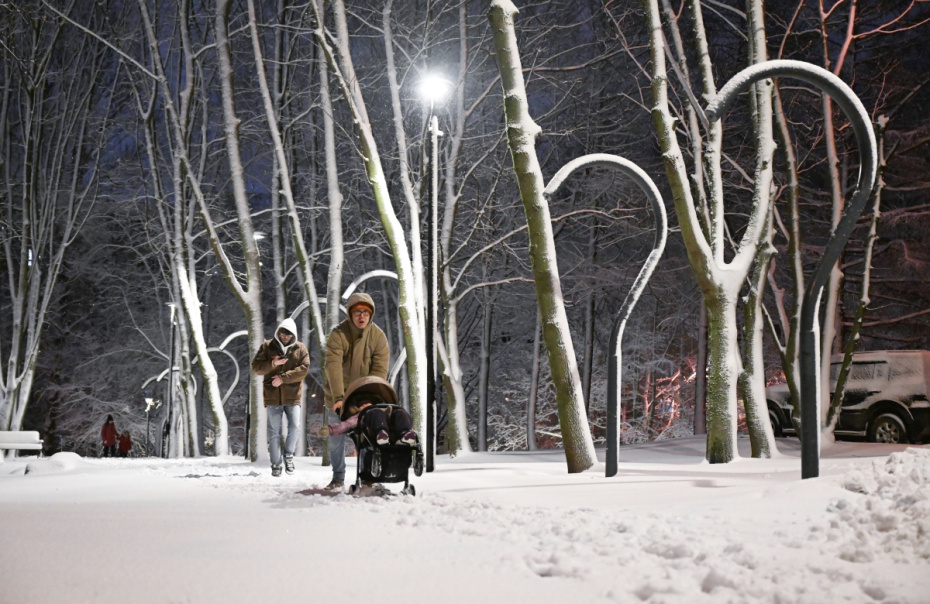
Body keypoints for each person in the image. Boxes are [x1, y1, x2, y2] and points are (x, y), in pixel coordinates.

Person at [322, 292, 390, 491]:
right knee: (336, 438)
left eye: (366, 312)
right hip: (338, 396)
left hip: (365, 397)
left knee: (369, 437)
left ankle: (367, 478)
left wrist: (370, 399)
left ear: (371, 315)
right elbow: (332, 367)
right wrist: (338, 398)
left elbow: (379, 372)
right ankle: (338, 478)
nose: (362, 316)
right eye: (358, 312)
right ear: (350, 314)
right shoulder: (338, 335)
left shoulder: (378, 337)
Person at [251, 317, 310, 477]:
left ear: (294, 335)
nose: (285, 337)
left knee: (295, 427)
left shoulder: (300, 349)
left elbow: (303, 370)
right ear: (278, 332)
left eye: (289, 334)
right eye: (283, 333)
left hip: (292, 396)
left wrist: (283, 378)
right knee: (274, 432)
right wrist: (273, 364)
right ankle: (276, 465)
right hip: (272, 397)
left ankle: (288, 455)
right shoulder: (267, 347)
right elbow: (256, 367)